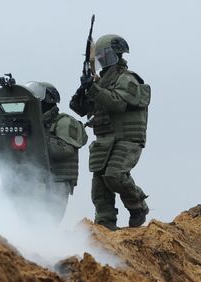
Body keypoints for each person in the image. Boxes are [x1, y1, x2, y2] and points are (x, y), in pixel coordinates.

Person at [70, 34, 151, 231]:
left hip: (127, 138)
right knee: (99, 186)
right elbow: (79, 109)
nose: (101, 60)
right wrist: (84, 90)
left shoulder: (128, 79)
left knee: (115, 176)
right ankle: (105, 226)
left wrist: (94, 89)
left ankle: (137, 205)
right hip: (105, 139)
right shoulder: (99, 81)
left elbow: (117, 103)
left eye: (105, 56)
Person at [27, 81, 87, 214]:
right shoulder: (37, 124)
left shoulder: (64, 122)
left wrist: (38, 139)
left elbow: (64, 150)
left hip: (57, 180)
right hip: (35, 179)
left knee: (49, 218)